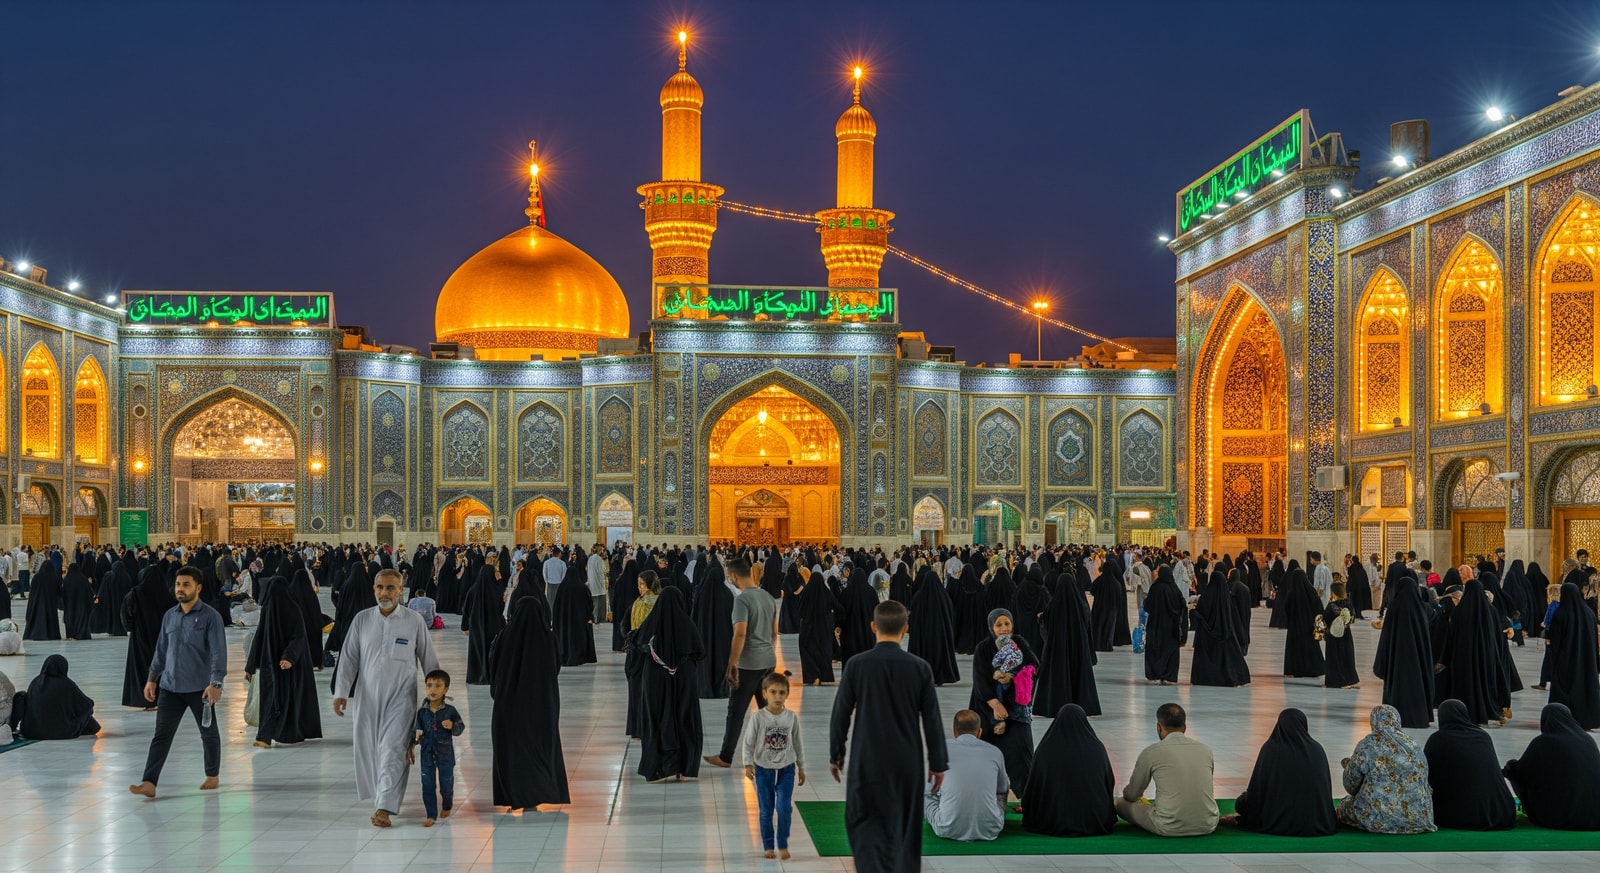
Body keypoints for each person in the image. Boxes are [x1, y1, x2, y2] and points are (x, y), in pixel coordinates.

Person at [829, 600, 947, 873]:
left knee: (864, 818)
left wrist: (837, 754)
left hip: (867, 758)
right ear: (905, 629)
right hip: (907, 760)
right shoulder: (919, 668)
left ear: (873, 627)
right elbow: (931, 719)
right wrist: (938, 762)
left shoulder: (857, 665)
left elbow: (841, 713)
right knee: (905, 824)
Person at [332, 568, 441, 828]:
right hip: (367, 697)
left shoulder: (413, 621)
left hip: (401, 699)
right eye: (380, 587)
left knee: (394, 749)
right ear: (373, 589)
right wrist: (340, 693)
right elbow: (349, 659)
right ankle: (380, 794)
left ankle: (384, 806)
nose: (385, 593)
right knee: (370, 749)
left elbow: (429, 660)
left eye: (391, 588)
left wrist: (437, 697)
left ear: (400, 590)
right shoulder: (362, 620)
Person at [128, 567, 225, 798]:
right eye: (178, 584)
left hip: (200, 688)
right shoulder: (170, 615)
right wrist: (152, 679)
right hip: (170, 686)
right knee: (161, 735)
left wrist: (216, 683)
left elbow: (218, 653)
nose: (180, 589)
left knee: (208, 732)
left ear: (198, 588)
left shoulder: (211, 617)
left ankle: (212, 775)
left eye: (186, 584)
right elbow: (161, 650)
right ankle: (149, 782)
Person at [490, 595, 570, 809]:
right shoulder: (548, 637)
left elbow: (494, 667)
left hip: (509, 702)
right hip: (542, 702)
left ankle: (514, 793)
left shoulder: (505, 636)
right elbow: (556, 666)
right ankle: (540, 789)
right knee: (540, 746)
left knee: (512, 748)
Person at [704, 557, 777, 770]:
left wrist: (731, 663)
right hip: (768, 662)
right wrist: (767, 652)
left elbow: (740, 634)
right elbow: (774, 632)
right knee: (768, 711)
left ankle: (726, 756)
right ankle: (774, 754)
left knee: (736, 711)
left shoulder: (742, 600)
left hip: (748, 665)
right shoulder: (768, 597)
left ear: (734, 576)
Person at [1223, 709, 1335, 837]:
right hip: (1314, 822)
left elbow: (1257, 791)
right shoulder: (1317, 749)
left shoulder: (1270, 749)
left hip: (1272, 820)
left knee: (1241, 802)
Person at [634, 586, 705, 783]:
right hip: (684, 678)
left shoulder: (652, 623)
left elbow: (638, 643)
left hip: (655, 679)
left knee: (656, 716)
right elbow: (699, 651)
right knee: (684, 716)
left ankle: (657, 767)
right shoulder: (688, 624)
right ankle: (684, 767)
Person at [1115, 703, 1217, 837]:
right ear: (1185, 727)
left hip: (1168, 825)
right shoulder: (1205, 750)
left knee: (1120, 804)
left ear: (1158, 727)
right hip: (1208, 824)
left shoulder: (1151, 752)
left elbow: (1132, 794)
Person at [243, 577, 322, 747]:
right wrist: (250, 667)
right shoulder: (270, 609)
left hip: (286, 667)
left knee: (284, 700)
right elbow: (260, 636)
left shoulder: (291, 609)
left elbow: (298, 636)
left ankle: (283, 734)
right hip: (270, 664)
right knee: (270, 699)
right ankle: (264, 736)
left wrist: (289, 657)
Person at [1335, 704, 1435, 833]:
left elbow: (1351, 785)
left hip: (1379, 817)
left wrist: (1348, 766)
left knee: (1345, 806)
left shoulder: (1368, 745)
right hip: (1419, 817)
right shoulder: (1413, 744)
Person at [1021, 703, 1116, 837]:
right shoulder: (1096, 748)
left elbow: (1033, 785)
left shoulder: (1045, 749)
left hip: (1049, 821)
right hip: (1093, 821)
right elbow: (1109, 782)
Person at [970, 608, 1037, 797]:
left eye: (1007, 624)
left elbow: (1033, 664)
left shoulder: (1019, 643)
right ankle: (983, 798)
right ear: (992, 627)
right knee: (985, 756)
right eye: (998, 625)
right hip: (988, 708)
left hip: (1016, 710)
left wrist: (1011, 676)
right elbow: (980, 681)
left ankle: (1027, 798)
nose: (1004, 628)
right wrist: (996, 707)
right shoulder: (983, 648)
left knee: (1021, 754)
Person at [740, 672, 806, 859]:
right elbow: (748, 742)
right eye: (773, 692)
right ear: (764, 694)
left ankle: (783, 843)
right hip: (763, 768)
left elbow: (797, 743)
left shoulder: (791, 718)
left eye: (782, 692)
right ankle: (768, 845)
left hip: (787, 767)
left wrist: (801, 767)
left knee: (784, 806)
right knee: (766, 809)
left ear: (787, 694)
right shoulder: (758, 718)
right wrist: (747, 764)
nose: (778, 697)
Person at [1503, 703, 1600, 830]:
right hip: (1595, 816)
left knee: (1516, 774)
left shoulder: (1544, 742)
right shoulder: (1587, 739)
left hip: (1559, 817)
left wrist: (1508, 767)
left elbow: (1522, 771)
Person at [1425, 699, 1514, 830]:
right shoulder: (1483, 736)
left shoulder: (1438, 739)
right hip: (1500, 812)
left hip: (1460, 816)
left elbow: (1426, 774)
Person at [923, 709, 1007, 842]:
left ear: (954, 731)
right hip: (991, 829)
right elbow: (1002, 790)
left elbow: (928, 789)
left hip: (946, 828)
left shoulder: (941, 749)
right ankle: (988, 818)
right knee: (1000, 796)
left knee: (926, 795)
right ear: (979, 732)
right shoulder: (995, 752)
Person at [1372, 575, 1435, 727]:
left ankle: (1395, 717)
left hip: (1397, 660)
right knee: (1416, 686)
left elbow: (1386, 637)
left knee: (1396, 688)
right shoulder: (1420, 608)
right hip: (1417, 662)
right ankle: (1418, 717)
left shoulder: (1394, 607)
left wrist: (1382, 661)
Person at [408, 670, 465, 826]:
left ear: (445, 689)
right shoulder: (422, 712)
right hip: (426, 755)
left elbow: (461, 728)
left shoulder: (450, 711)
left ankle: (447, 803)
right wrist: (411, 745)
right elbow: (416, 732)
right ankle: (431, 815)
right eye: (429, 686)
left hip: (445, 755)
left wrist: (453, 725)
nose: (433, 690)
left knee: (446, 783)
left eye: (438, 686)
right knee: (427, 784)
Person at [121, 563, 178, 709]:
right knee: (162, 665)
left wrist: (131, 627)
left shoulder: (135, 593)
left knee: (142, 666)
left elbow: (126, 614)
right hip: (162, 637)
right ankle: (162, 698)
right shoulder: (167, 594)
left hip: (141, 636)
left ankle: (146, 699)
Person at [1546, 581, 1600, 730]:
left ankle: (1563, 720)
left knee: (1565, 689)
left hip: (1566, 661)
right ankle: (1587, 720)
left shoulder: (1561, 613)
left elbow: (1555, 640)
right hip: (1587, 661)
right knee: (1585, 687)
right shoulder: (1589, 614)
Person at [17, 654, 101, 739]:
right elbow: (85, 705)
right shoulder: (66, 683)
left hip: (31, 731)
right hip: (60, 732)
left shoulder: (35, 682)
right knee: (87, 710)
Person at [1190, 570, 1250, 687]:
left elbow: (1199, 614)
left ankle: (1204, 678)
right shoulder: (1227, 598)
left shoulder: (1206, 597)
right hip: (1224, 633)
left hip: (1205, 637)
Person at [551, 554, 597, 666]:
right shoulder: (582, 587)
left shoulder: (562, 588)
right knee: (577, 637)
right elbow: (589, 604)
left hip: (564, 621)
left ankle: (564, 655)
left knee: (565, 637)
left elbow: (556, 606)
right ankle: (578, 656)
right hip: (579, 621)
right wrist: (588, 616)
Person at [1143, 565, 1185, 686]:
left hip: (1155, 625)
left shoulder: (1155, 588)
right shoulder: (1174, 588)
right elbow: (1182, 605)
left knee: (1155, 648)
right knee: (1170, 650)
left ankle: (1155, 673)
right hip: (1171, 627)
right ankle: (1169, 676)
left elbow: (1147, 606)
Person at [1321, 581, 1359, 689]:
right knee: (1346, 657)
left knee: (1334, 658)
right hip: (1346, 634)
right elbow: (1352, 619)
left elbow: (1325, 619)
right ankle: (1348, 680)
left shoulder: (1331, 605)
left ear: (1333, 592)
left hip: (1333, 636)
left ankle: (1334, 681)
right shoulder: (1349, 604)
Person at [23, 562, 62, 641]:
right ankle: (51, 634)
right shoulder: (54, 578)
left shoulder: (36, 577)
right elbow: (59, 592)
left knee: (37, 617)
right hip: (50, 604)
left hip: (37, 603)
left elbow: (32, 592)